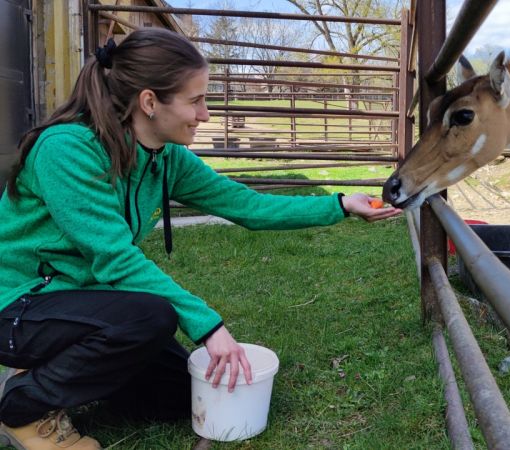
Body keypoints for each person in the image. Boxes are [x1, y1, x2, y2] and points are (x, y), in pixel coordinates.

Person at [0, 27, 400, 450]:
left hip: (79, 301)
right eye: (196, 100)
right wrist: (208, 326)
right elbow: (115, 260)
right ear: (150, 102)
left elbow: (247, 206)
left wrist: (338, 204)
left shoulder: (165, 157)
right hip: (18, 302)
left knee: (182, 393)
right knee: (150, 318)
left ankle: (59, 374)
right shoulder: (69, 150)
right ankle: (22, 408)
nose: (205, 114)